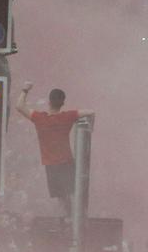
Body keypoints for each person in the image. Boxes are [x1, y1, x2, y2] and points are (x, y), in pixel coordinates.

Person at [14, 83, 94, 216]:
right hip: (66, 162)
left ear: (49, 102)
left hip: (51, 165)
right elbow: (91, 111)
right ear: (62, 103)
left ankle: (68, 219)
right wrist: (91, 126)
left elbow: (19, 106)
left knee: (61, 198)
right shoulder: (67, 117)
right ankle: (77, 219)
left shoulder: (40, 118)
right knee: (73, 193)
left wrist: (25, 89)